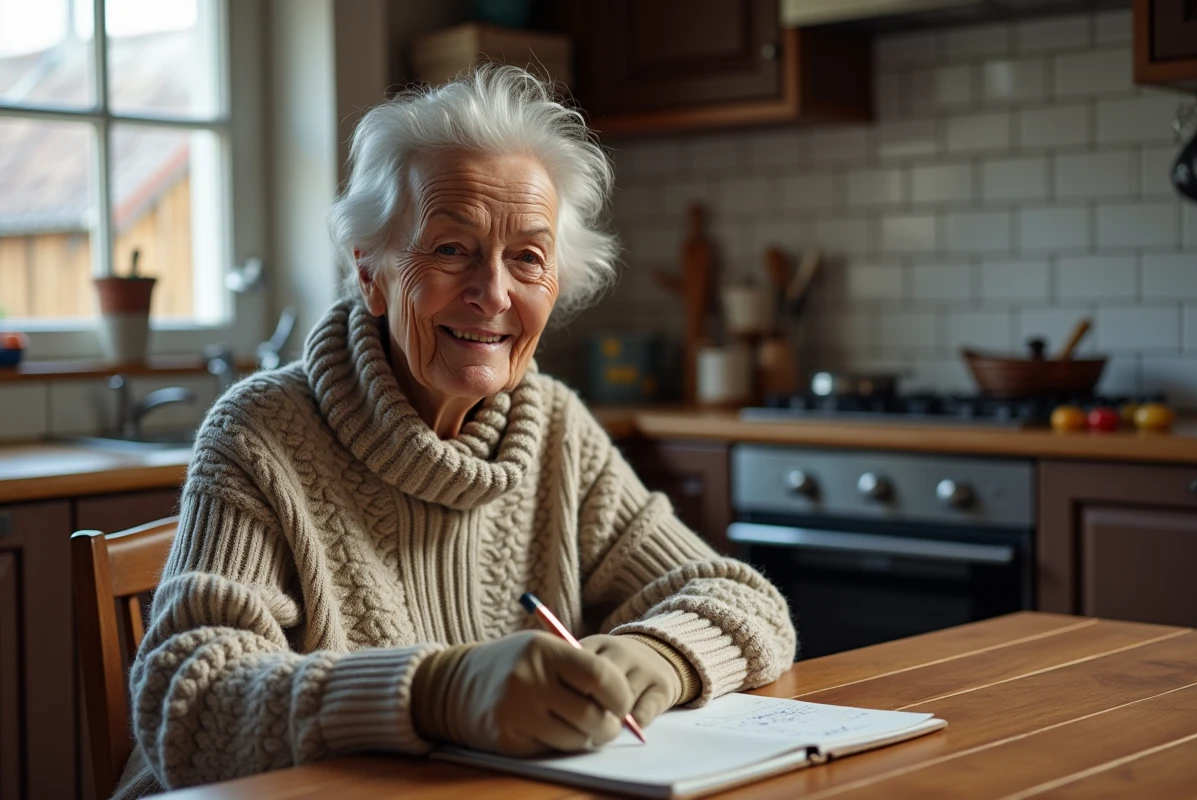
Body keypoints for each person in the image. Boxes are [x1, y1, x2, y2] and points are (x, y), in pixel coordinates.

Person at [113, 65, 796, 798]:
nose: (493, 293)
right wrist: (436, 691)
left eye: (527, 257)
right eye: (450, 249)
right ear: (370, 271)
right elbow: (187, 701)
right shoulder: (262, 433)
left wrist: (657, 656)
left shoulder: (554, 425)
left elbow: (746, 601)